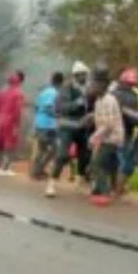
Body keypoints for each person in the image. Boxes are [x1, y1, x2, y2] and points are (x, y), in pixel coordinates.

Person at [48, 63, 92, 195]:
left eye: (85, 74)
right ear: (75, 75)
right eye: (81, 74)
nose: (83, 77)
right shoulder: (66, 88)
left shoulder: (89, 89)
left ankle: (79, 183)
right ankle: (51, 184)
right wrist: (78, 102)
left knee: (84, 155)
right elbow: (62, 108)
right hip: (67, 125)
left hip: (83, 126)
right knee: (62, 155)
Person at [89, 75, 125, 206]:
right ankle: (98, 190)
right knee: (104, 165)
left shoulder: (109, 100)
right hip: (105, 137)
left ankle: (104, 193)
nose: (91, 87)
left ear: (102, 86)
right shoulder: (99, 100)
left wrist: (94, 137)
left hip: (112, 137)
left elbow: (109, 123)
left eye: (94, 85)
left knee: (98, 164)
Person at [112, 67, 138, 194]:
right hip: (122, 133)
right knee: (126, 163)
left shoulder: (114, 93)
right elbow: (132, 116)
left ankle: (116, 187)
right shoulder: (124, 95)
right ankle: (118, 189)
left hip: (119, 132)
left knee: (118, 162)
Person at [0, 73, 26, 175]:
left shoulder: (1, 92)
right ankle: (5, 168)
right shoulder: (18, 93)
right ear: (18, 82)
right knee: (10, 144)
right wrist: (17, 124)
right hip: (10, 121)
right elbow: (17, 110)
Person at [33, 73, 63, 186]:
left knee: (43, 149)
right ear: (61, 82)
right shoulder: (54, 93)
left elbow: (36, 107)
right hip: (48, 125)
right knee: (52, 149)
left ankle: (37, 171)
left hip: (40, 123)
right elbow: (48, 108)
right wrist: (58, 116)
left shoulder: (44, 91)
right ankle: (37, 172)